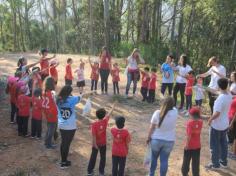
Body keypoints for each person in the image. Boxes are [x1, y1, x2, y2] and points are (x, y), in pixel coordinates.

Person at [57, 85, 93, 169]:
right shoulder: (72, 99)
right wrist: (90, 92)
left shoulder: (58, 99)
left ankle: (63, 160)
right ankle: (63, 162)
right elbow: (82, 96)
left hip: (61, 125)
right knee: (66, 144)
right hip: (70, 126)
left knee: (63, 142)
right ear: (69, 92)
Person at [146, 97, 178, 176]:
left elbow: (152, 127)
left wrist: (148, 137)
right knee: (164, 160)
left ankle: (151, 174)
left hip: (156, 140)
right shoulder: (175, 112)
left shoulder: (157, 113)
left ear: (163, 103)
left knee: (153, 159)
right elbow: (173, 107)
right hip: (169, 141)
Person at [206, 78, 232, 169]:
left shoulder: (220, 99)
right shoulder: (229, 95)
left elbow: (217, 113)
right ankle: (224, 162)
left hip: (217, 125)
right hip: (225, 124)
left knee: (214, 145)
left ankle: (215, 164)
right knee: (223, 143)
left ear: (219, 86)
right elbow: (220, 92)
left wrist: (210, 119)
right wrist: (206, 88)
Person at [87, 103, 116, 176]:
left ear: (96, 115)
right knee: (103, 157)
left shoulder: (94, 124)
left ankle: (90, 171)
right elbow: (109, 114)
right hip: (103, 143)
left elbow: (93, 135)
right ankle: (101, 172)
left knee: (93, 157)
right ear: (104, 116)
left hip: (96, 143)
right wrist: (113, 106)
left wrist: (94, 144)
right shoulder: (105, 121)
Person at [181, 107, 203, 176]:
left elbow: (189, 135)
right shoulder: (201, 122)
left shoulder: (190, 123)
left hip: (190, 146)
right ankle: (196, 174)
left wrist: (186, 145)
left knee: (186, 161)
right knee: (196, 162)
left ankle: (185, 173)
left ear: (191, 115)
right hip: (197, 145)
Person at [42, 77, 58, 149]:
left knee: (49, 127)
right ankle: (48, 144)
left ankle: (46, 142)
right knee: (51, 129)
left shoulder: (45, 92)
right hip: (52, 113)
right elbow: (55, 101)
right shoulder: (52, 93)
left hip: (47, 112)